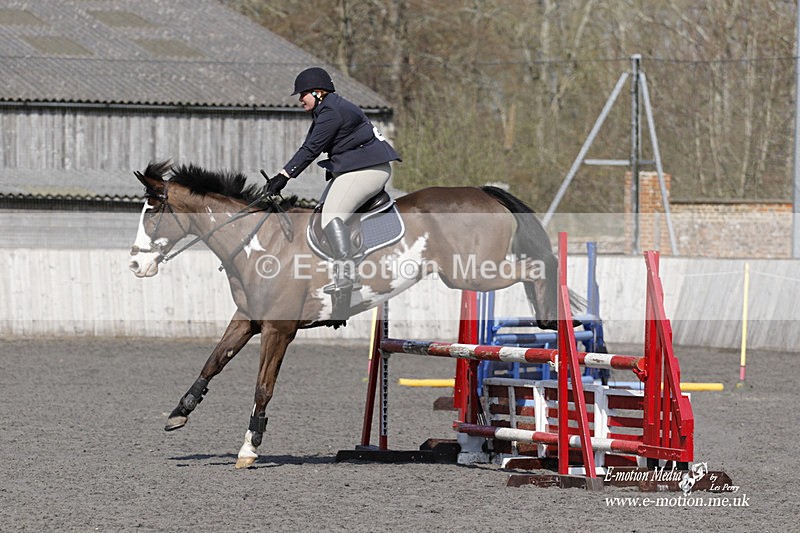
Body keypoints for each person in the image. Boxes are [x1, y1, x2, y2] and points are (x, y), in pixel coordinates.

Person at [265, 66, 401, 314]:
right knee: (320, 214)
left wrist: (284, 176)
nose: (300, 100)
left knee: (331, 217)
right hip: (357, 168)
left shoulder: (331, 112)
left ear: (318, 92)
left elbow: (310, 149)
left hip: (368, 169)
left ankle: (347, 278)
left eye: (303, 94)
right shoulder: (328, 108)